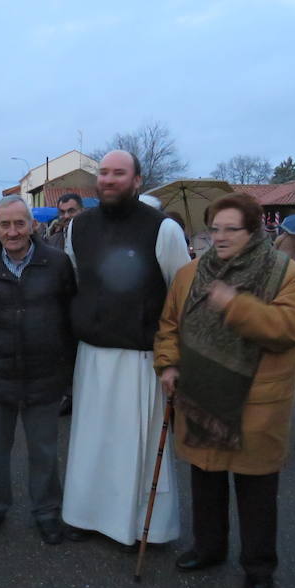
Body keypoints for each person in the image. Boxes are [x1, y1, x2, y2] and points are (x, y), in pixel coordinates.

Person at [154, 192, 295, 588]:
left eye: (231, 229)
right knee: (205, 479)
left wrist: (235, 304)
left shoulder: (288, 274)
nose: (220, 238)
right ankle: (209, 548)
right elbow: (169, 325)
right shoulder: (190, 274)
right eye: (215, 229)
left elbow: (286, 329)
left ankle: (259, 566)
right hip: (202, 394)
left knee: (256, 489)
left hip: (254, 401)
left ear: (254, 230)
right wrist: (168, 365)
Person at [61, 150, 190, 549]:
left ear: (137, 180)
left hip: (141, 359)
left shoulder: (163, 229)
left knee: (134, 446)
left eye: (119, 173)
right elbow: (76, 281)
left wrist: (174, 359)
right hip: (93, 354)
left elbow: (181, 296)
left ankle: (133, 525)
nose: (109, 179)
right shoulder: (78, 228)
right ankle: (85, 515)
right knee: (92, 443)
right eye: (103, 173)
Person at [0, 195, 76, 544]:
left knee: (44, 450)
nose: (13, 231)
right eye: (5, 224)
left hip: (44, 373)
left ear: (32, 225)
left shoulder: (57, 264)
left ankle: (46, 512)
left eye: (19, 223)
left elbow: (69, 317)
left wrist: (67, 368)